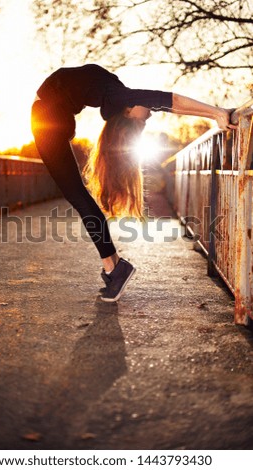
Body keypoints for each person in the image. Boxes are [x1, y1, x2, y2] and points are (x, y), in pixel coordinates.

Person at [31, 64, 235, 302]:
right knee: (78, 196)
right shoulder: (122, 96)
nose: (149, 116)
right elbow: (172, 101)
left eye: (142, 123)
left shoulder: (120, 98)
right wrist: (215, 112)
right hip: (50, 115)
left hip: (48, 115)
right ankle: (114, 267)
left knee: (78, 196)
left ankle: (114, 268)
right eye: (143, 122)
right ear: (128, 111)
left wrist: (216, 113)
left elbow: (168, 103)